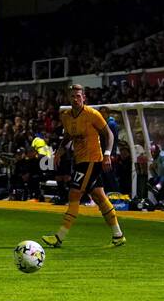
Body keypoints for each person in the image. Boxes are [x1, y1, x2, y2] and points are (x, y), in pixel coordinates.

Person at [42, 84, 126, 248]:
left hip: (92, 160)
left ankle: (59, 237)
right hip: (79, 160)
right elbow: (68, 135)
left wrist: (108, 154)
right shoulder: (66, 115)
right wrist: (59, 151)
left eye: (78, 96)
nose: (75, 99)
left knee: (74, 195)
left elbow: (108, 133)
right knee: (99, 197)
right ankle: (118, 235)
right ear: (69, 97)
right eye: (73, 96)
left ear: (84, 98)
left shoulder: (92, 114)